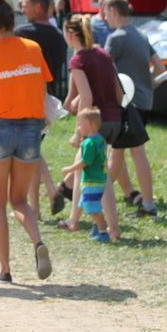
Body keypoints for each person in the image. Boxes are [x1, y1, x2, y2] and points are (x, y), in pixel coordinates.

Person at [0, 0, 53, 283]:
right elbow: (42, 90)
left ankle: (5, 269)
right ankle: (38, 242)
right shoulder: (33, 48)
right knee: (19, 200)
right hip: (31, 128)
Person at [56, 14, 122, 241]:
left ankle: (92, 224)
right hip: (114, 120)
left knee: (86, 171)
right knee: (93, 174)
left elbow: (86, 96)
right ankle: (102, 226)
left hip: (96, 123)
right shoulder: (103, 53)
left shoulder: (78, 60)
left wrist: (78, 132)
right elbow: (119, 92)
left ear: (70, 34)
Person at [103, 0, 167, 218]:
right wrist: (145, 85)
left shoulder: (116, 38)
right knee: (118, 153)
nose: (104, 18)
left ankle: (147, 205)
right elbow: (161, 70)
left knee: (132, 152)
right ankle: (98, 198)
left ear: (113, 11)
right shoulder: (141, 35)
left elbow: (105, 71)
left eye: (105, 12)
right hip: (143, 101)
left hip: (126, 103)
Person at [14, 0, 66, 218]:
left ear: (38, 7)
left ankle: (53, 190)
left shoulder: (23, 33)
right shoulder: (58, 36)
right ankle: (34, 209)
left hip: (28, 99)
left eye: (25, 5)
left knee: (31, 150)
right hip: (49, 102)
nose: (22, 10)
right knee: (34, 151)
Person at [60, 107, 110, 243]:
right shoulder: (100, 139)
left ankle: (103, 232)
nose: (78, 127)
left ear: (91, 124)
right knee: (86, 203)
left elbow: (85, 162)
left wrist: (69, 169)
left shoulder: (89, 143)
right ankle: (95, 228)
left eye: (80, 124)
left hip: (92, 181)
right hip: (99, 178)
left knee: (93, 208)